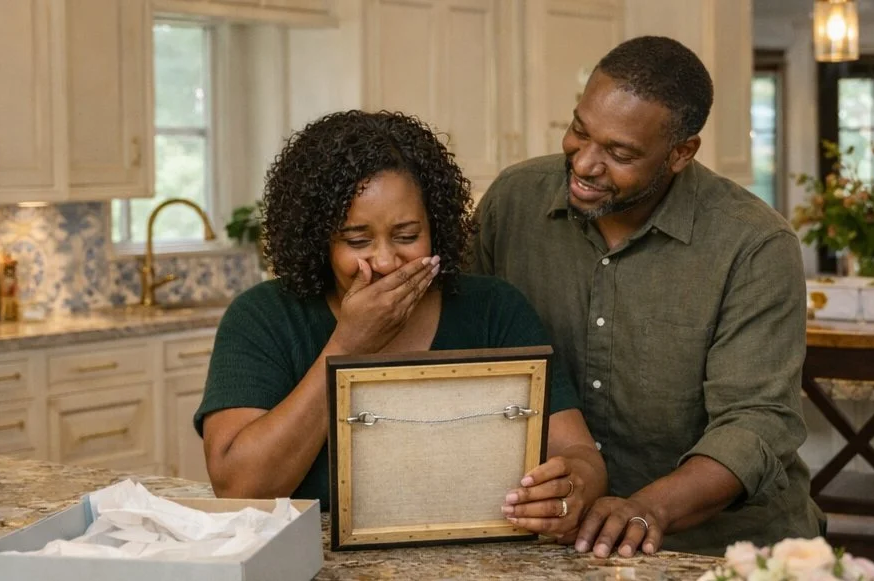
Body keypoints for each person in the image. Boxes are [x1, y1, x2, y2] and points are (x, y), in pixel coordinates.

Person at [469, 36, 825, 558]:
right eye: (579, 130)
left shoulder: (753, 244)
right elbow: (457, 344)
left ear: (681, 152)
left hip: (719, 548)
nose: (586, 163)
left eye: (619, 153)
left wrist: (648, 507)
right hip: (553, 544)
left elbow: (754, 424)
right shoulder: (513, 201)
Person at [195, 110, 608, 542]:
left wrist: (571, 489)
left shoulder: (495, 309)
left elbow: (581, 457)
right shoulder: (263, 317)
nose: (387, 261)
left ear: (437, 227)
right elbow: (239, 488)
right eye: (357, 241)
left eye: (408, 236)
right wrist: (349, 343)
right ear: (318, 238)